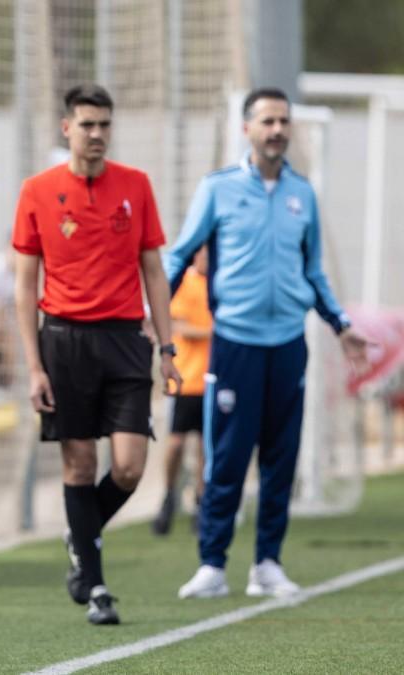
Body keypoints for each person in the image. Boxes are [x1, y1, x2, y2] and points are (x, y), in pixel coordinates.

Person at [169, 88, 370, 600]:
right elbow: (178, 257)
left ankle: (268, 564)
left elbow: (313, 272)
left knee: (281, 457)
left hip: (288, 345)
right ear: (247, 129)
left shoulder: (303, 193)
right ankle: (212, 564)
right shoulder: (217, 189)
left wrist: (341, 324)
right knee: (228, 456)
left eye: (284, 121)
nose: (277, 130)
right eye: (267, 121)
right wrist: (150, 322)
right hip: (235, 344)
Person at [12, 84, 181, 625]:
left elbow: (153, 269)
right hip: (63, 341)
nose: (97, 134)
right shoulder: (37, 190)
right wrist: (35, 365)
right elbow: (23, 286)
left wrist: (169, 346)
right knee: (80, 464)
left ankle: (81, 535)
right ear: (67, 128)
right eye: (87, 124)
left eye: (105, 124)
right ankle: (97, 585)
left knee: (130, 468)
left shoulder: (136, 186)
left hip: (127, 340)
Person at [152, 247, 211, 536]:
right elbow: (181, 326)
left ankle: (200, 502)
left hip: (212, 380)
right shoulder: (183, 284)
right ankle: (169, 495)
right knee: (175, 443)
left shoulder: (219, 284)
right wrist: (216, 330)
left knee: (204, 446)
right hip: (186, 378)